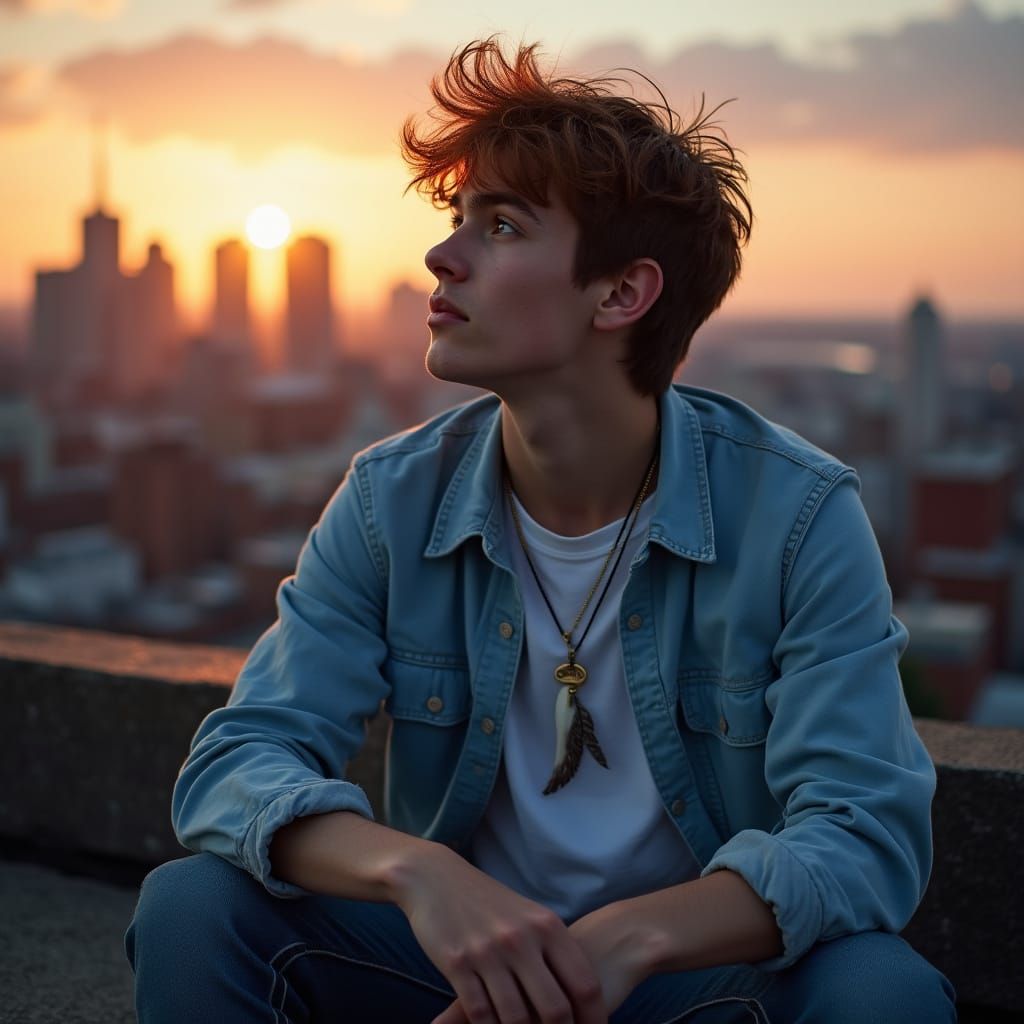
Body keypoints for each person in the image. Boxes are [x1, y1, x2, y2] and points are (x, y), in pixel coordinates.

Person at [126, 38, 956, 1023]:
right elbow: (236, 762)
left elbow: (863, 836)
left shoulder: (797, 514)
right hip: (461, 973)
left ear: (621, 294)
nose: (443, 254)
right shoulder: (392, 500)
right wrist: (420, 873)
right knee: (194, 906)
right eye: (455, 217)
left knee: (881, 993)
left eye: (504, 225)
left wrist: (624, 939)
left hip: (677, 985)